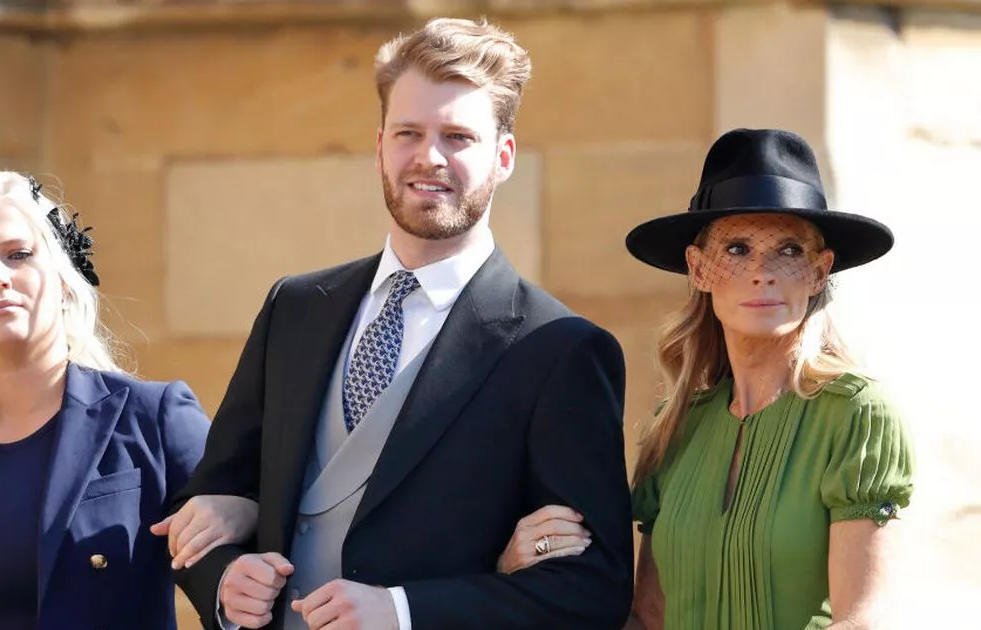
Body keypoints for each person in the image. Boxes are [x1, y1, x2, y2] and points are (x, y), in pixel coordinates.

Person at [163, 17, 634, 630]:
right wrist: (224, 579)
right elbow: (211, 501)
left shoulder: (559, 349)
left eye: (458, 137)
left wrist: (404, 611)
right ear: (380, 145)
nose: (428, 157)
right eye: (409, 132)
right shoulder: (295, 307)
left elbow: (593, 591)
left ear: (503, 157)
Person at [508, 128, 915, 629]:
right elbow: (648, 618)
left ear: (819, 271)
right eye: (738, 249)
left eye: (789, 250)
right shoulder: (677, 426)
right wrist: (522, 576)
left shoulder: (857, 414)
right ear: (698, 269)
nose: (763, 272)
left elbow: (865, 620)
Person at [0, 171, 256, 630]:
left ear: (64, 278)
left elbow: (255, 535)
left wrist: (246, 511)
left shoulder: (151, 418)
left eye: (18, 254)